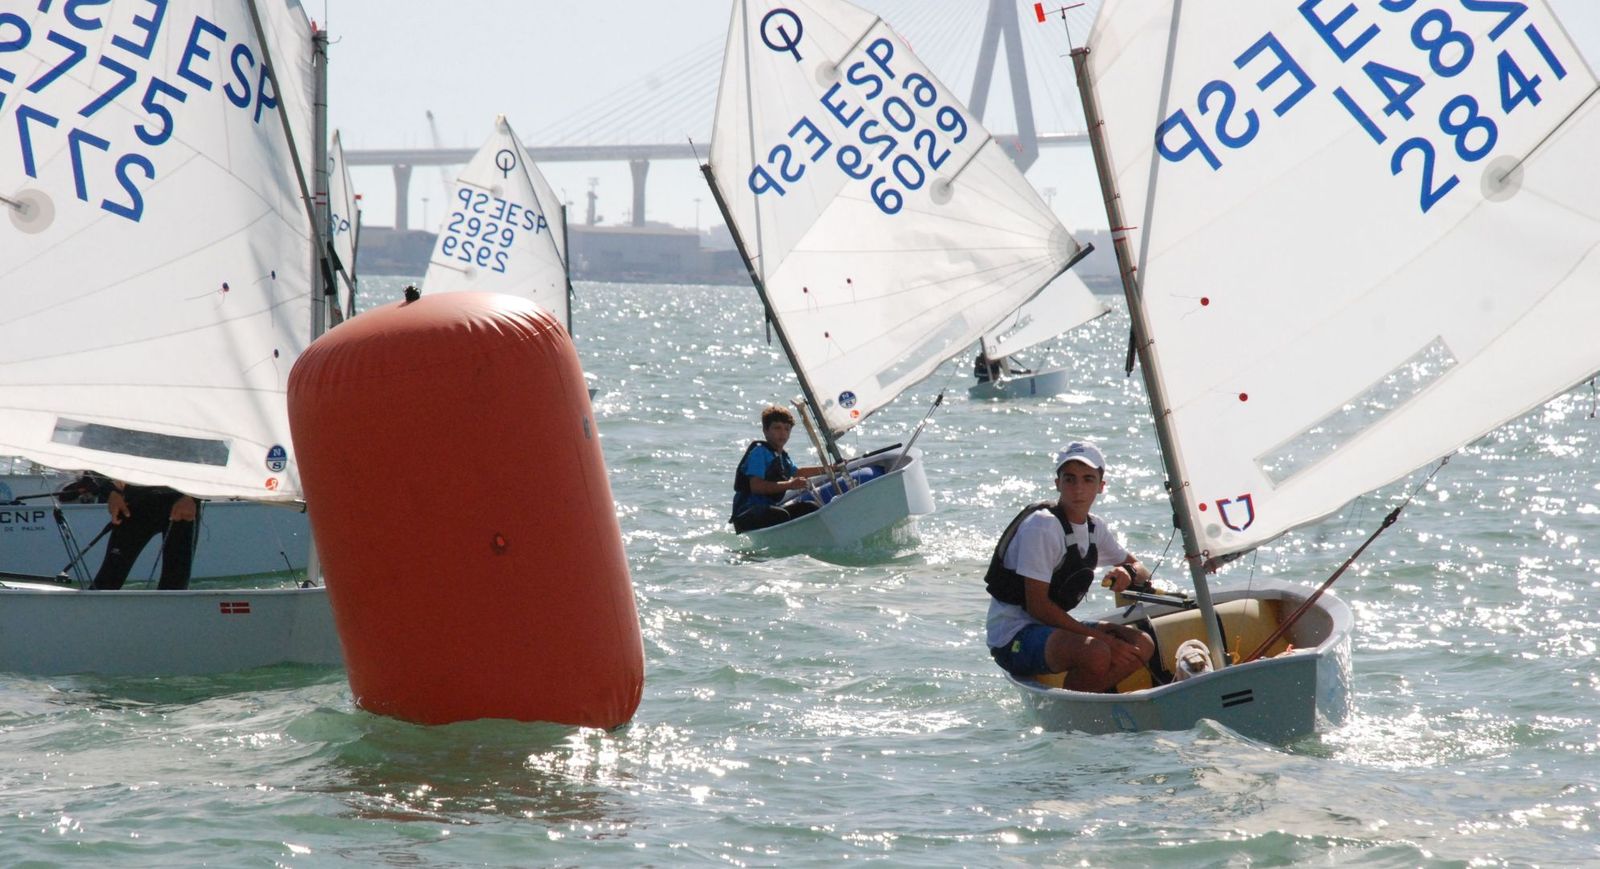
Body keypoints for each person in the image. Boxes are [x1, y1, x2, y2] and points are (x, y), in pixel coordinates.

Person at [983, 440, 1156, 692]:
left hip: (1050, 629)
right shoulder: (1042, 526)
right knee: (1097, 651)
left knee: (1143, 643)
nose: (1078, 489)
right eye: (1069, 479)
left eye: (1087, 479)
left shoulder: (1095, 527)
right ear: (1057, 484)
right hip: (1012, 637)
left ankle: (1091, 696)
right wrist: (1104, 639)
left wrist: (1127, 572)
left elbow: (1140, 568)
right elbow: (1038, 607)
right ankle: (1073, 718)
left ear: (1101, 486)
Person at [729, 405, 836, 533]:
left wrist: (830, 469)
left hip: (768, 510)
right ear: (765, 430)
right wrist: (790, 484)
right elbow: (756, 486)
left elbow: (798, 472)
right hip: (747, 514)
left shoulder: (782, 456)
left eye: (787, 429)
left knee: (810, 507)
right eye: (777, 428)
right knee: (781, 515)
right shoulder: (759, 452)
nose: (783, 433)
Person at [89, 479, 201, 590]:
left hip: (183, 500)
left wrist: (191, 497)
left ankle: (171, 607)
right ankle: (88, 607)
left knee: (176, 580)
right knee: (109, 576)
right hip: (136, 501)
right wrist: (111, 491)